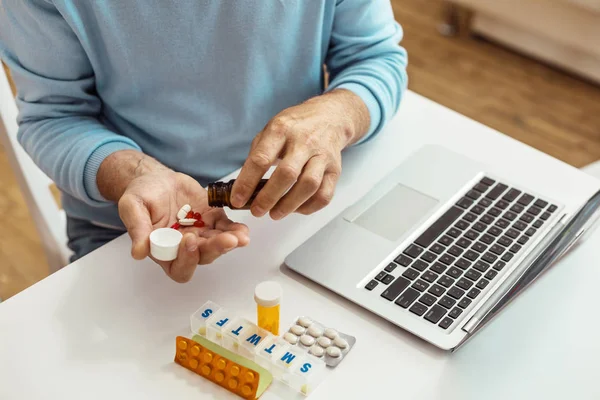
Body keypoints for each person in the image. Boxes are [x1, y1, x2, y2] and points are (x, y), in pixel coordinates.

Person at [0, 1, 408, 283]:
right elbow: (54, 117)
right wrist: (133, 174)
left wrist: (337, 116)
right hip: (130, 226)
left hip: (300, 201)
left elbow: (376, 58)